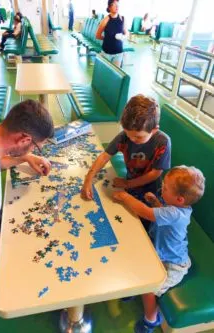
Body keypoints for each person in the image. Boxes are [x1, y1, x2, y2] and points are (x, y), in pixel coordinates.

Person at [0, 100, 54, 282]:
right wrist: (30, 234)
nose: (34, 149)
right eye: (36, 146)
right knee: (43, 251)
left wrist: (26, 157)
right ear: (24, 139)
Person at [112, 166, 205, 333]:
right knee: (136, 265)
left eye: (166, 188)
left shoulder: (175, 213)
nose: (162, 188)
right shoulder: (176, 208)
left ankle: (151, 320)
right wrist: (156, 202)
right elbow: (162, 211)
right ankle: (134, 290)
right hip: (159, 253)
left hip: (173, 264)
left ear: (180, 200)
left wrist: (126, 197)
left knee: (149, 288)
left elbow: (147, 213)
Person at [81, 94, 171, 231]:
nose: (131, 139)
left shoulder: (163, 142)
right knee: (126, 222)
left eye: (138, 136)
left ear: (154, 130)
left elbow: (155, 173)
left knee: (145, 227)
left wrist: (128, 183)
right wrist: (88, 180)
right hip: (129, 187)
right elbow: (104, 156)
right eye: (128, 133)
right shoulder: (125, 136)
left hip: (153, 191)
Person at [96, 0, 127, 67]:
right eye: (114, 4)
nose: (117, 6)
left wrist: (122, 37)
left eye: (118, 5)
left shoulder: (122, 19)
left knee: (115, 75)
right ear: (109, 7)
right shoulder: (105, 20)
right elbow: (97, 36)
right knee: (106, 75)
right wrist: (107, 38)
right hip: (107, 52)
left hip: (119, 52)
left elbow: (126, 33)